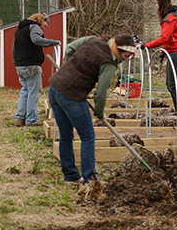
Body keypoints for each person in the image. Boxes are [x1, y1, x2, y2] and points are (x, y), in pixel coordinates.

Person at [48, 34, 136, 184]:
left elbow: (69, 48)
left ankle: (71, 176)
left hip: (55, 88)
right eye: (126, 55)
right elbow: (100, 94)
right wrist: (100, 113)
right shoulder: (109, 63)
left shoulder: (92, 40)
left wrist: (67, 69)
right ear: (118, 48)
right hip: (72, 96)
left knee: (66, 136)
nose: (127, 59)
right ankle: (90, 178)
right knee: (88, 137)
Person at [139, 0, 177, 117]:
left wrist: (145, 45)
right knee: (171, 84)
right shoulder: (175, 15)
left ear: (162, 4)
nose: (156, 6)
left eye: (157, 3)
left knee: (173, 84)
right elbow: (172, 38)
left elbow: (163, 38)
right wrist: (164, 49)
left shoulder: (169, 19)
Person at [12, 12, 60, 127]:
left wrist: (17, 62)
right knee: (34, 92)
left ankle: (20, 118)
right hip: (32, 65)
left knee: (25, 91)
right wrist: (53, 42)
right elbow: (36, 40)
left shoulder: (20, 29)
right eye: (45, 24)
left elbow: (14, 48)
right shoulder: (34, 27)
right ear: (41, 20)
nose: (44, 27)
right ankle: (32, 120)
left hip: (20, 65)